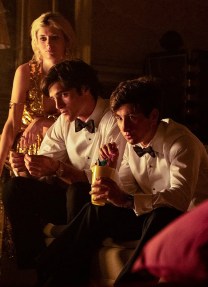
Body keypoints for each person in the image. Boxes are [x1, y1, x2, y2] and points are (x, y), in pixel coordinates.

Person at [35, 76, 208, 286]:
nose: (124, 127)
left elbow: (179, 199)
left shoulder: (180, 141)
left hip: (201, 218)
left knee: (162, 213)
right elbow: (125, 191)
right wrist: (110, 169)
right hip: (154, 215)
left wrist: (125, 199)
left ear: (153, 116)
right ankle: (49, 266)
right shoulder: (131, 142)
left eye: (132, 117)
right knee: (98, 209)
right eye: (118, 117)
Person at [2, 59, 125, 272]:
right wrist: (25, 167)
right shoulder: (63, 121)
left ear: (85, 88)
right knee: (15, 187)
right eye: (53, 98)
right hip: (69, 200)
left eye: (64, 95)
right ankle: (32, 266)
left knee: (77, 191)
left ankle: (66, 269)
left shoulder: (114, 120)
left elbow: (105, 180)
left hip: (102, 203)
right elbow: (45, 161)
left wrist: (59, 169)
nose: (57, 106)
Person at [0, 11, 77, 180]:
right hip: (24, 148)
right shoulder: (26, 71)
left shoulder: (76, 74)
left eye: (55, 38)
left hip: (65, 147)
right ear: (36, 41)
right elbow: (12, 122)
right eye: (43, 38)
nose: (49, 44)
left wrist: (43, 121)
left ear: (66, 40)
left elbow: (82, 122)